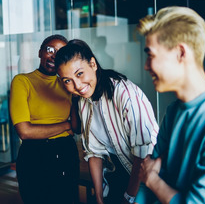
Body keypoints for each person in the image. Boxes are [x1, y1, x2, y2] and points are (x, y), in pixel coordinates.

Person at [135, 6, 205, 204]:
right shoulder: (173, 112)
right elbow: (147, 176)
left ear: (181, 52)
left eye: (151, 55)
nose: (145, 66)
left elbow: (150, 176)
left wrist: (153, 180)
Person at [55, 39, 159, 204]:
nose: (77, 85)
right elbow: (94, 153)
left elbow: (144, 154)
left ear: (93, 64)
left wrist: (129, 197)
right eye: (67, 80)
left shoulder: (125, 94)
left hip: (147, 178)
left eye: (79, 74)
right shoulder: (83, 100)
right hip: (117, 174)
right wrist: (98, 197)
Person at [9, 35, 80, 204]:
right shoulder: (22, 81)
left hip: (66, 153)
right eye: (50, 50)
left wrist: (75, 96)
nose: (54, 55)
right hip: (34, 155)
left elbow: (77, 128)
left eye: (60, 52)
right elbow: (25, 132)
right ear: (40, 52)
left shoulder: (68, 84)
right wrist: (66, 125)